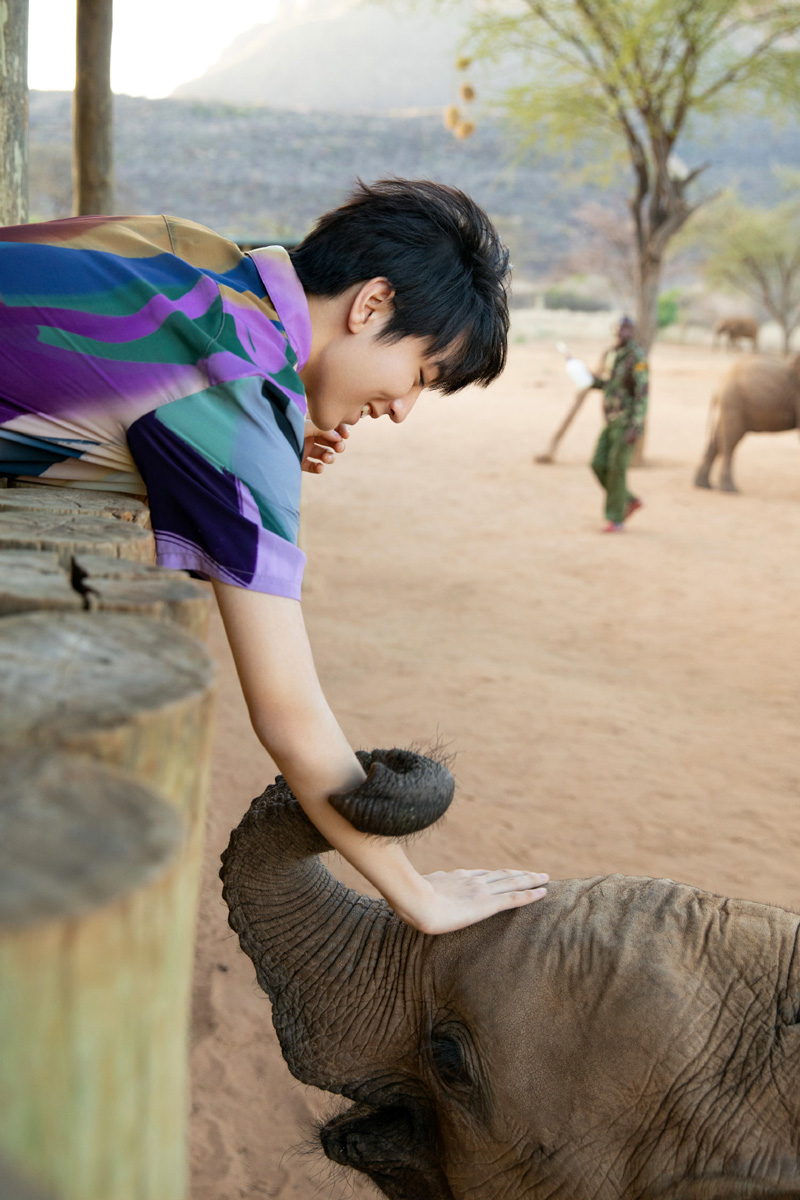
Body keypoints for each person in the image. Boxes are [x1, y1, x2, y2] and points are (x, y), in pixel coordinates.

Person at [0, 179, 548, 933]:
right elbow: (288, 712)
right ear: (372, 305)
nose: (400, 408)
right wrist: (418, 895)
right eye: (419, 375)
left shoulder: (185, 248)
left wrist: (270, 426)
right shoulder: (241, 397)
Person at [589, 315, 649, 532]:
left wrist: (636, 426)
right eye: (619, 328)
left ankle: (615, 518)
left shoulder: (637, 357)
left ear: (632, 331)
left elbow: (642, 394)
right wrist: (591, 380)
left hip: (627, 423)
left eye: (627, 329)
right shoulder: (612, 354)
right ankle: (629, 499)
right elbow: (610, 385)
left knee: (617, 469)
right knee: (597, 463)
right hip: (611, 420)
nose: (622, 332)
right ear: (614, 330)